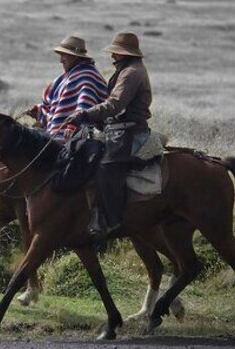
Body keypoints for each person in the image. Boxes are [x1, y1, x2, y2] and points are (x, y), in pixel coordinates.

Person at [65, 32, 152, 239]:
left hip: (130, 131)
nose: (113, 56)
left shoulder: (131, 73)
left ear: (124, 54)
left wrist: (86, 114)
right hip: (120, 128)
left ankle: (112, 221)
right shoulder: (128, 70)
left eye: (116, 53)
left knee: (106, 166)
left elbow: (115, 104)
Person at [27, 34, 108, 143]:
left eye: (64, 55)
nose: (61, 60)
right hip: (56, 137)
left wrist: (74, 124)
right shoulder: (66, 77)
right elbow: (55, 105)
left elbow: (86, 105)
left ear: (75, 56)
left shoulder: (87, 76)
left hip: (74, 140)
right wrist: (39, 110)